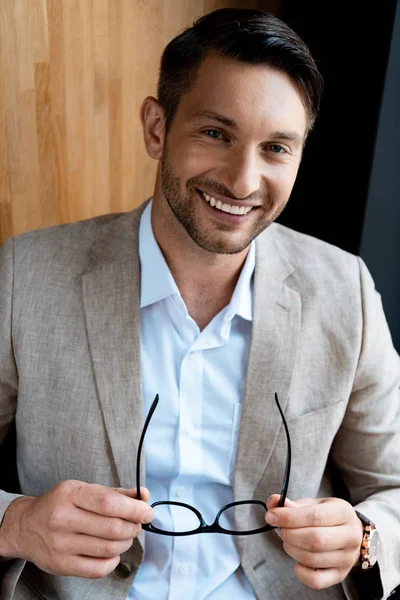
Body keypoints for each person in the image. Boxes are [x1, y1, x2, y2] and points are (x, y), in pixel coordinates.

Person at [0, 7, 399, 600]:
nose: (242, 181)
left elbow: (394, 488)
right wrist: (17, 524)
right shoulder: (25, 275)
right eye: (216, 133)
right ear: (157, 128)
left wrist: (366, 537)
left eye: (276, 149)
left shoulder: (346, 290)